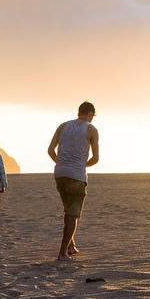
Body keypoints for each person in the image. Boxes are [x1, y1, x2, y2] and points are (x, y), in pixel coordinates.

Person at [48, 102, 99, 260]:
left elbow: (50, 150)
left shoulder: (63, 126)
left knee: (67, 209)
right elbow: (95, 158)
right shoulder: (91, 129)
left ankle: (70, 245)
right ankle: (62, 252)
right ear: (90, 113)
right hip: (76, 175)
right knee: (73, 214)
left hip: (60, 173)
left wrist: (61, 163)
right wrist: (81, 165)